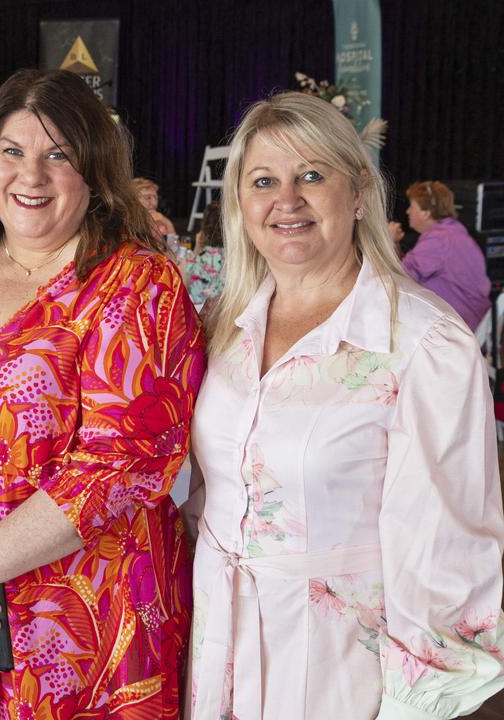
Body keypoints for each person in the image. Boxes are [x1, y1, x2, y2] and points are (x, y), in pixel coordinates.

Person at [0, 68, 205, 717]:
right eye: (13, 151)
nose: (29, 175)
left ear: (92, 171)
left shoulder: (136, 285)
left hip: (80, 622)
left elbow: (116, 468)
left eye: (57, 154)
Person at [186, 92, 504, 719]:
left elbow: (444, 551)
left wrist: (420, 705)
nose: (287, 200)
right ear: (241, 204)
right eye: (263, 181)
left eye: (311, 175)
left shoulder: (422, 343)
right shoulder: (221, 327)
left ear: (358, 193)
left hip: (336, 665)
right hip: (217, 644)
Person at [399, 180, 491, 329]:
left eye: (412, 206)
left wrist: (385, 241)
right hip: (473, 325)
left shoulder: (438, 240)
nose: (407, 211)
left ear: (426, 212)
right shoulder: (454, 234)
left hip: (458, 331)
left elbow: (399, 277)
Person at [183, 200, 225, 306]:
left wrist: (197, 248)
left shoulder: (192, 260)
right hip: (226, 314)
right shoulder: (238, 259)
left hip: (197, 314)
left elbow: (183, 288)